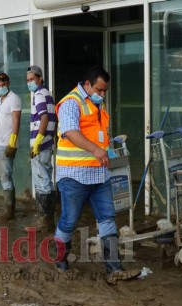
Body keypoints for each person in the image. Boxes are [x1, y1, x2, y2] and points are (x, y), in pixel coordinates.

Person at [54, 65, 140, 284]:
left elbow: (97, 134)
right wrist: (95, 149)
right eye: (99, 90)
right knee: (69, 221)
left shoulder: (96, 106)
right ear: (87, 85)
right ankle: (60, 261)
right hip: (74, 175)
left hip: (99, 174)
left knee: (107, 218)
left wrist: (107, 146)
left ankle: (114, 270)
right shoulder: (71, 103)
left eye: (105, 91)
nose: (102, 95)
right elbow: (71, 132)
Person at [26, 65, 57, 231]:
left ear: (40, 79)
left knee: (41, 182)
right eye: (28, 80)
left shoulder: (38, 95)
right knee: (47, 180)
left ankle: (43, 221)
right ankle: (48, 220)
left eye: (32, 79)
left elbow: (44, 118)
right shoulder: (48, 94)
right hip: (47, 143)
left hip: (40, 144)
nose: (29, 82)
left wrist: (37, 141)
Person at [0, 72, 21, 222]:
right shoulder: (0, 100)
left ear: (8, 83)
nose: (1, 87)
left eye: (3, 85)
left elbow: (16, 122)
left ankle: (9, 211)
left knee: (6, 177)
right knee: (3, 176)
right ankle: (9, 208)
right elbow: (0, 123)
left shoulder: (14, 99)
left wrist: (12, 142)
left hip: (7, 144)